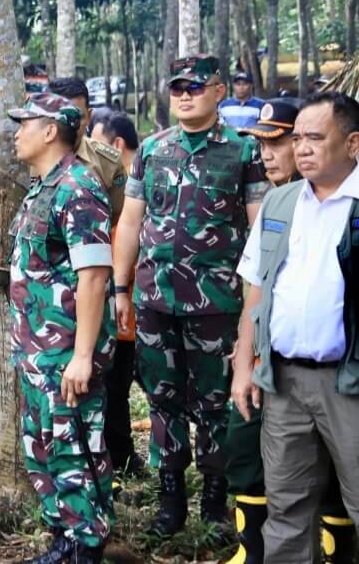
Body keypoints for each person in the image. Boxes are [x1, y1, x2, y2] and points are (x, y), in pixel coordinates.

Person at [113, 54, 270, 537]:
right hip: (156, 303)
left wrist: (254, 304)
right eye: (178, 87)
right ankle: (170, 498)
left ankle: (216, 500)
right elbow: (132, 222)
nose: (184, 95)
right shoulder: (154, 150)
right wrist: (121, 289)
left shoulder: (243, 152)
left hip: (217, 306)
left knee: (217, 403)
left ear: (219, 92)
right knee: (162, 401)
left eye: (196, 88)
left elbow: (261, 228)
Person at [230, 92, 359, 563]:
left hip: (349, 383)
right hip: (283, 382)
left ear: (352, 144)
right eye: (298, 138)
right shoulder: (282, 202)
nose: (301, 148)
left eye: (314, 138)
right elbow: (257, 291)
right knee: (287, 507)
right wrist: (245, 366)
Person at [8, 92, 115, 564]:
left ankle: (86, 544)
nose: (16, 132)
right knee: (43, 446)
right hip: (37, 353)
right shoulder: (43, 187)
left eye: (24, 124)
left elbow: (94, 278)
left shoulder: (78, 188)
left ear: (50, 130)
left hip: (66, 352)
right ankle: (63, 538)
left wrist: (83, 356)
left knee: (75, 448)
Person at [87, 112, 143, 477]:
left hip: (131, 304)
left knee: (117, 386)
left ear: (116, 145)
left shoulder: (132, 187)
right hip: (125, 305)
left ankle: (121, 455)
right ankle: (121, 456)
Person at [48, 77, 127, 224]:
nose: (71, 125)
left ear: (89, 117)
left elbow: (120, 220)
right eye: (63, 117)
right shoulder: (30, 159)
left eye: (78, 117)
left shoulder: (107, 162)